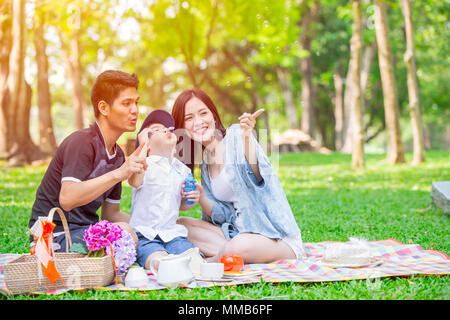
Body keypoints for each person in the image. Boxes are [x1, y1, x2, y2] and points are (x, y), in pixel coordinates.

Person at [171, 88, 303, 263]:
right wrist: (202, 196)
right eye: (189, 118)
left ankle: (209, 262)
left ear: (213, 115)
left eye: (203, 113)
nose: (198, 122)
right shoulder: (205, 165)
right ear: (183, 128)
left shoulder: (236, 136)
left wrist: (247, 138)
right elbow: (223, 216)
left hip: (274, 237)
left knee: (237, 247)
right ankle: (227, 255)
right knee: (180, 225)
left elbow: (258, 175)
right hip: (236, 234)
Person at [28, 70, 145, 252]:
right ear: (104, 108)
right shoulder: (82, 143)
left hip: (84, 232)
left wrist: (151, 226)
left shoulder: (118, 155)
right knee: (124, 235)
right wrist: (119, 174)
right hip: (52, 237)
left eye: (136, 103)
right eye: (126, 103)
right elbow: (67, 198)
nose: (135, 110)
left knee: (138, 235)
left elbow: (110, 214)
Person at [128, 110, 203, 270]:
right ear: (147, 142)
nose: (165, 130)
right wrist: (142, 147)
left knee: (195, 260)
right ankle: (163, 263)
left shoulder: (182, 170)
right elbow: (134, 181)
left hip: (172, 235)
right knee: (157, 260)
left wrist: (191, 198)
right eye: (156, 129)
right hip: (144, 235)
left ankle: (177, 264)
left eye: (168, 129)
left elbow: (183, 205)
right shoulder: (144, 164)